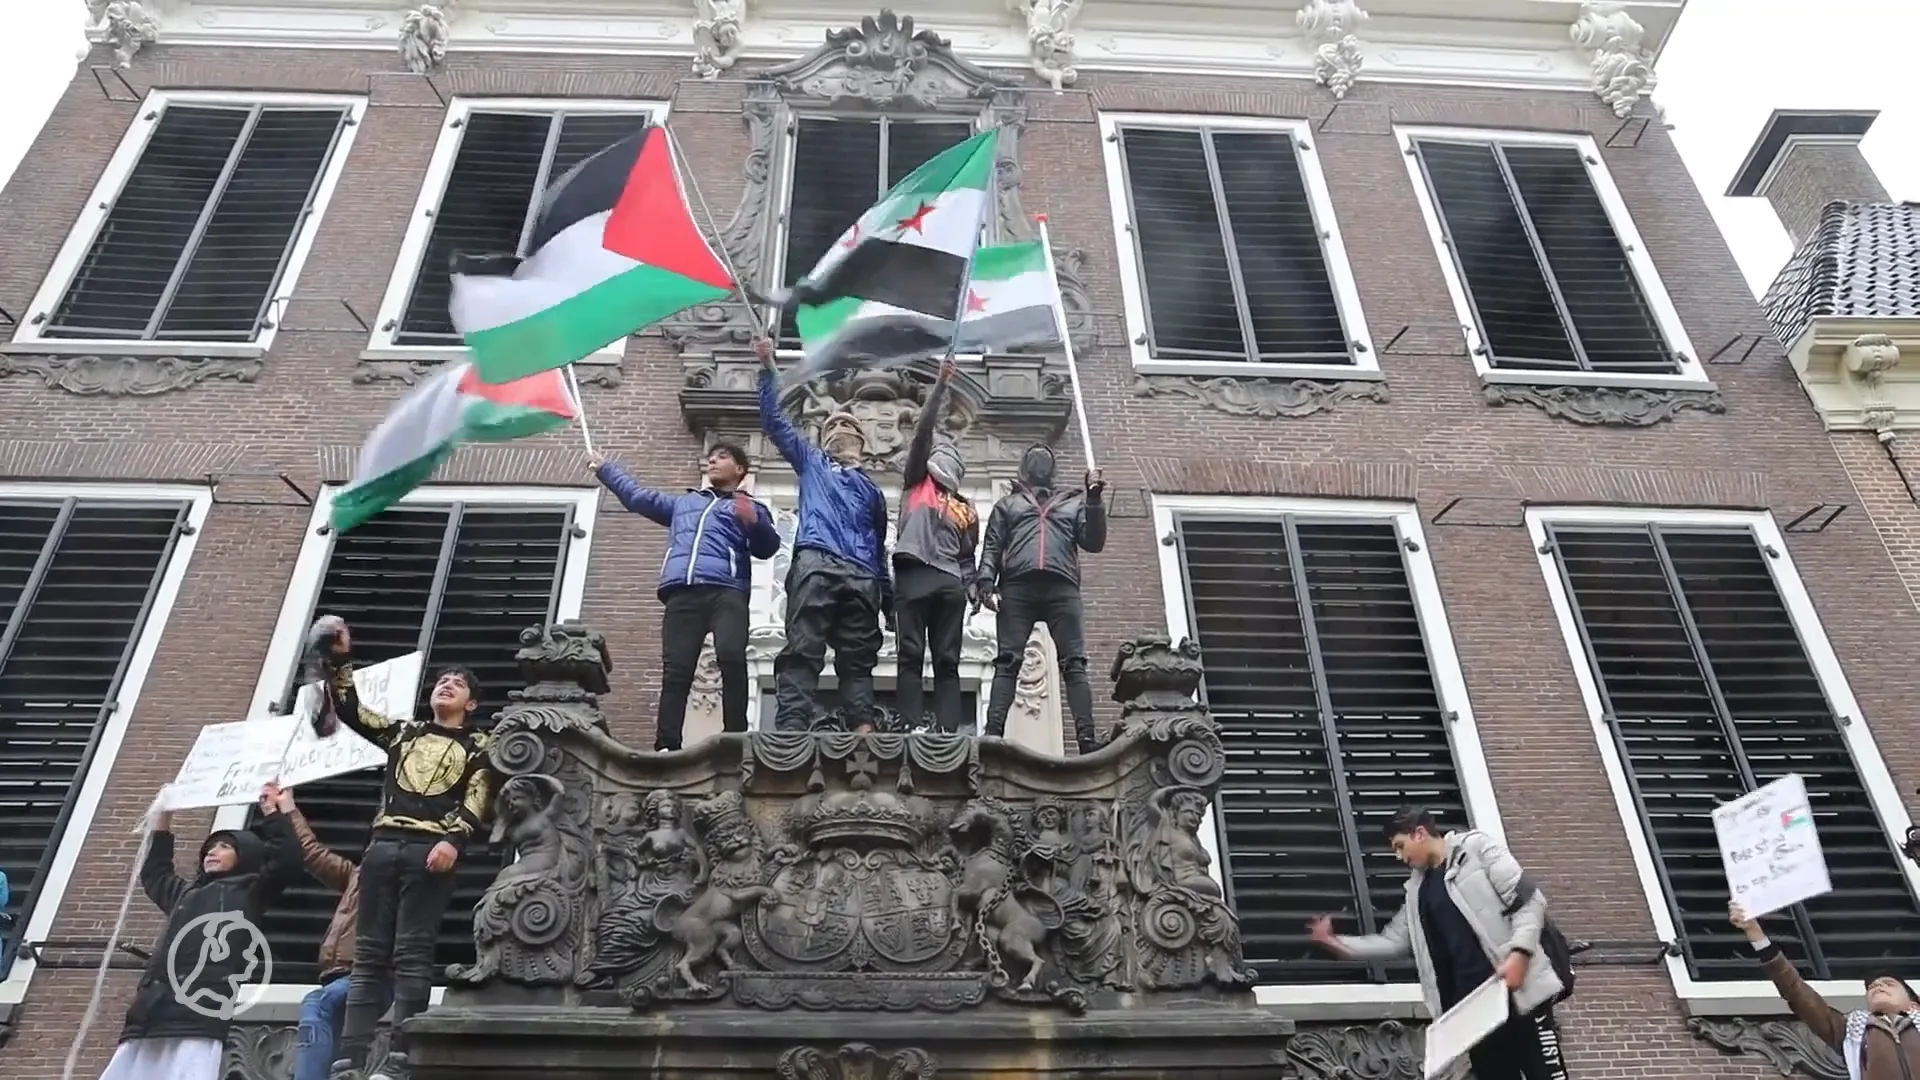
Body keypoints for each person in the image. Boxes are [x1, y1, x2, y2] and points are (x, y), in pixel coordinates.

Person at [309, 616, 493, 1080]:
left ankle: (400, 1054)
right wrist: (340, 659)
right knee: (369, 951)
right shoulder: (403, 733)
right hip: (383, 844)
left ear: (471, 704)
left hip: (431, 850)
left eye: (459, 684)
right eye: (443, 680)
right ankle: (350, 1056)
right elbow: (351, 710)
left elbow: (478, 796)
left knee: (412, 949)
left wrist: (455, 839)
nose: (447, 684)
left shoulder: (480, 744)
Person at [1309, 807, 1568, 1080]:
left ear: (1419, 833)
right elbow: (1394, 941)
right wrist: (1337, 943)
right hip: (1474, 1014)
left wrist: (1520, 954)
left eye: (1400, 846)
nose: (1400, 856)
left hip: (1519, 996)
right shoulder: (1416, 891)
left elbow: (1530, 901)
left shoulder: (1476, 849)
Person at [98, 784, 303, 1080]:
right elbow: (155, 871)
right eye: (209, 848)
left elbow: (287, 863)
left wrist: (275, 812)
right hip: (149, 1015)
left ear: (245, 855)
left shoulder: (251, 892)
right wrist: (163, 816)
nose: (212, 852)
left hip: (199, 1015)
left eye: (224, 846)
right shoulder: (183, 893)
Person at [588, 442, 780, 749]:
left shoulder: (751, 507)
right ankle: (666, 745)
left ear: (740, 470)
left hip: (726, 592)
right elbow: (638, 498)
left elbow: (767, 548)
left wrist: (754, 523)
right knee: (676, 670)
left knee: (731, 658)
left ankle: (734, 736)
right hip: (683, 592)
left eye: (722, 457)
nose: (713, 460)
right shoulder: (684, 504)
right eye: (712, 456)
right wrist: (606, 470)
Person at [756, 338, 893, 733]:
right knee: (804, 648)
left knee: (859, 657)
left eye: (847, 427)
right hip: (819, 562)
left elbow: (879, 549)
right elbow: (775, 423)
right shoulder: (814, 463)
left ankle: (863, 728)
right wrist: (767, 370)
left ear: (862, 444)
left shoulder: (871, 491)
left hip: (861, 577)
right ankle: (791, 728)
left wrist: (888, 602)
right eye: (834, 427)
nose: (840, 431)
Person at [975, 443, 1106, 754]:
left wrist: (1094, 499)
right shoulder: (1008, 505)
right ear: (1024, 468)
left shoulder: (1073, 504)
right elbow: (992, 546)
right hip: (1018, 588)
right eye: (1034, 458)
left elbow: (1094, 541)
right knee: (1007, 661)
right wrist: (985, 581)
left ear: (1054, 468)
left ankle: (1086, 739)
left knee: (1074, 663)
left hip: (1062, 588)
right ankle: (993, 732)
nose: (1039, 462)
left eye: (1045, 458)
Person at [271, 784, 390, 1080]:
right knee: (333, 1059)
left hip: (371, 976)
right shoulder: (356, 876)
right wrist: (287, 808)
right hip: (338, 975)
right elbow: (311, 853)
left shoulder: (406, 881)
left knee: (316, 1004)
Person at [1732, 900, 1920, 1078]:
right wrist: (1756, 934)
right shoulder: (1850, 1030)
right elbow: (1797, 992)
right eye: (1872, 987)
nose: (1878, 986)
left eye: (1889, 984)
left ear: (1914, 1005)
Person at [892, 358, 976, 733]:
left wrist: (975, 587)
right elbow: (923, 431)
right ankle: (910, 724)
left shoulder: (965, 506)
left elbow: (968, 556)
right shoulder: (916, 481)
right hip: (916, 573)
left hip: (946, 582)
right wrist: (940, 386)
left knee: (945, 658)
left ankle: (948, 729)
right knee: (911, 654)